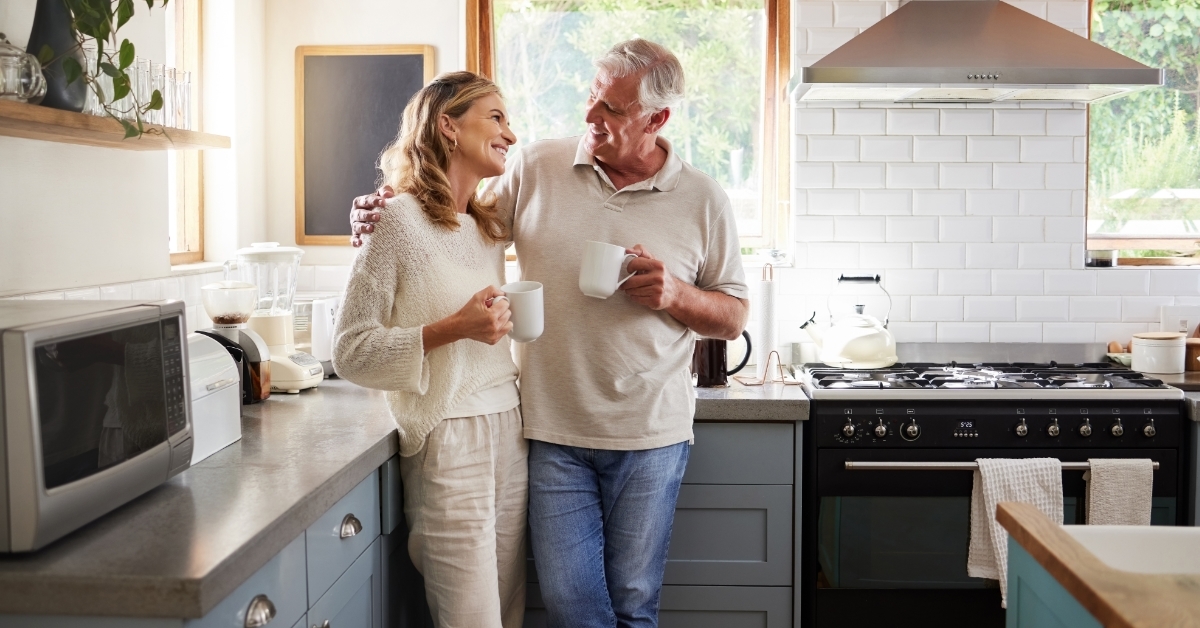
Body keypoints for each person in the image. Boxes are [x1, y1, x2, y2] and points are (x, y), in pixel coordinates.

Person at [351, 39, 749, 628]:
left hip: (651, 434)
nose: (591, 116)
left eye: (612, 109)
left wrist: (677, 295)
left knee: (635, 605)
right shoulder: (537, 167)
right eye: (591, 97)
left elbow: (734, 314)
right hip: (547, 429)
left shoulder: (703, 199)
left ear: (656, 119)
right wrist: (383, 209)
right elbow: (459, 225)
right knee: (571, 607)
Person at [332, 71, 527, 628]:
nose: (509, 134)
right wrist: (454, 328)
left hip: (509, 430)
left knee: (508, 613)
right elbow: (349, 350)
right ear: (447, 125)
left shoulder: (486, 227)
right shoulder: (394, 219)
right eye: (495, 117)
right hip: (448, 437)